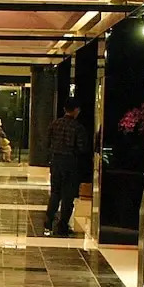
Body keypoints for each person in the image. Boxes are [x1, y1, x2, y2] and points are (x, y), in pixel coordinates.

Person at [44, 97, 90, 237]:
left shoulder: (54, 124)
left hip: (56, 161)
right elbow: (82, 148)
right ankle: (63, 225)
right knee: (68, 196)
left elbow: (47, 143)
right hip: (71, 163)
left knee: (55, 193)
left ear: (64, 109)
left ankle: (48, 221)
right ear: (76, 110)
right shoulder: (78, 127)